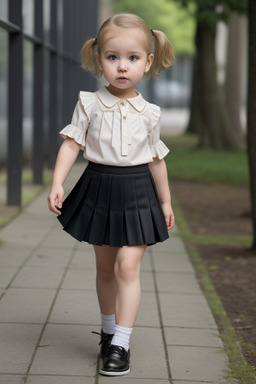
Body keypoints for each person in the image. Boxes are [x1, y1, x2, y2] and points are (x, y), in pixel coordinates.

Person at [48, 13, 175, 377]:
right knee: (105, 268)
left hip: (139, 192)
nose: (122, 67)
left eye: (132, 58)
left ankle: (121, 342)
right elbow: (72, 145)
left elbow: (156, 160)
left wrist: (165, 202)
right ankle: (107, 331)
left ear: (148, 61)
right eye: (113, 57)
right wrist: (58, 183)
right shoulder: (89, 104)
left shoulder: (150, 113)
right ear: (98, 57)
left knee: (127, 265)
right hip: (98, 187)